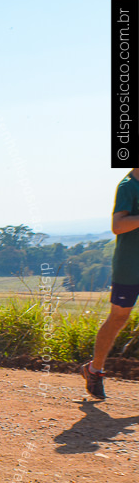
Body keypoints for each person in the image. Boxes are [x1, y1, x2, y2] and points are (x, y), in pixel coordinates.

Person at [82, 167, 139, 399]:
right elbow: (118, 226)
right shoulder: (128, 186)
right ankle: (94, 370)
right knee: (118, 318)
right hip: (130, 265)